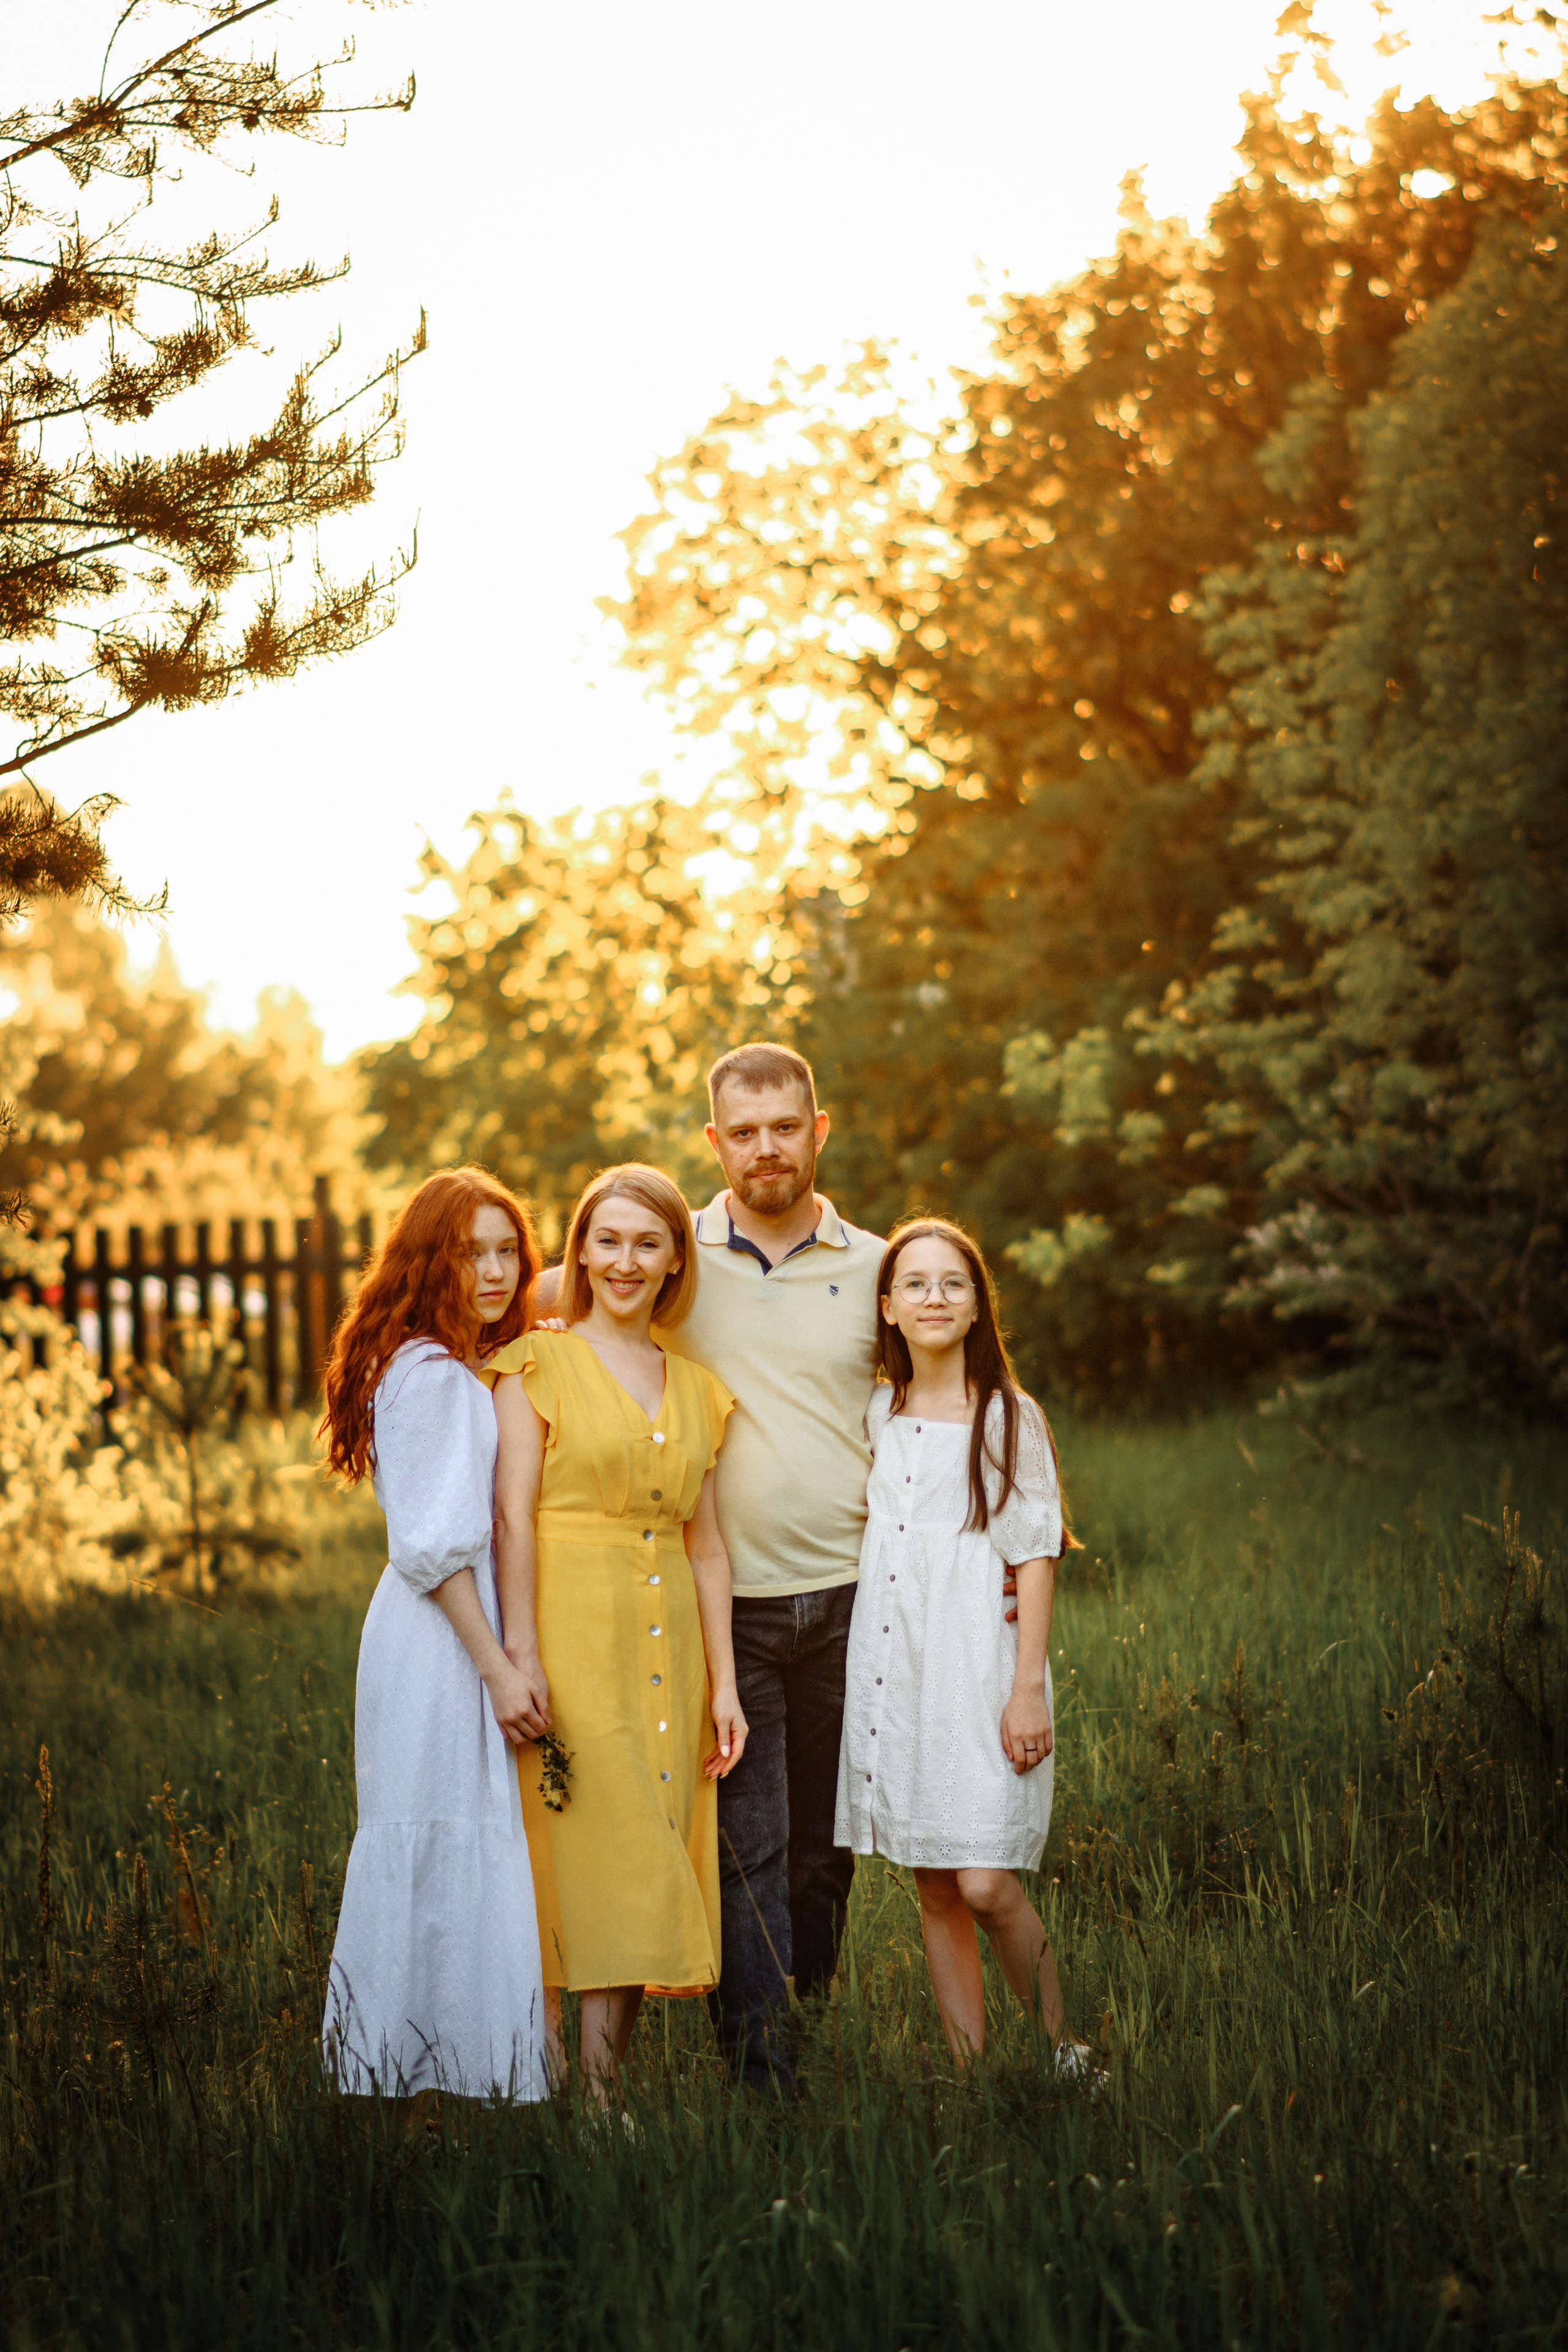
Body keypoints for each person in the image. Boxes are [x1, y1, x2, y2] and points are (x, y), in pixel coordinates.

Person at [484, 1164, 746, 2106]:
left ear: (676, 1256)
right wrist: (520, 1655)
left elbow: (706, 1547)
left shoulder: (699, 1388)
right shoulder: (535, 1364)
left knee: (649, 1851)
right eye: (609, 1240)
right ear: (582, 1252)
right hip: (571, 1631)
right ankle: (561, 2088)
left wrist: (723, 1683)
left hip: (668, 1644)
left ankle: (599, 2097)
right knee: (591, 1854)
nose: (627, 1261)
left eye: (648, 1242)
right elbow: (510, 1516)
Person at [661, 1044, 886, 2089]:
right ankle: (763, 2079)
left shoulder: (880, 1266)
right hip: (722, 1606)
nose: (765, 1150)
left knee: (822, 1850)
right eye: (742, 1132)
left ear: (818, 1130)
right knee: (746, 1848)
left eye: (784, 1127)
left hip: (853, 1598)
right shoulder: (670, 1259)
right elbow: (531, 1295)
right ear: (714, 1143)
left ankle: (816, 2021)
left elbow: (946, 1398)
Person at [834, 1217, 1096, 2079]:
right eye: (916, 1284)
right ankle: (966, 2065)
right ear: (889, 1307)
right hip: (898, 1664)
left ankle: (1065, 2049)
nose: (935, 1297)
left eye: (954, 1283)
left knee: (985, 1880)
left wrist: (1027, 1689)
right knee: (936, 1880)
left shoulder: (1007, 1416)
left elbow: (1036, 1551)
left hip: (980, 1668)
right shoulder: (878, 1411)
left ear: (979, 1306)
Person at [318, 1166, 549, 2103]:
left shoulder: (434, 1361)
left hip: (444, 1632)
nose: (494, 1273)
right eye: (470, 1253)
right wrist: (497, 1668)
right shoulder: (433, 1376)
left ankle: (444, 2077)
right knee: (443, 1835)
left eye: (508, 1253)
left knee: (459, 1835)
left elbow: (560, 1285)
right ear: (427, 1262)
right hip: (443, 1639)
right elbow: (433, 1546)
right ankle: (427, 2081)